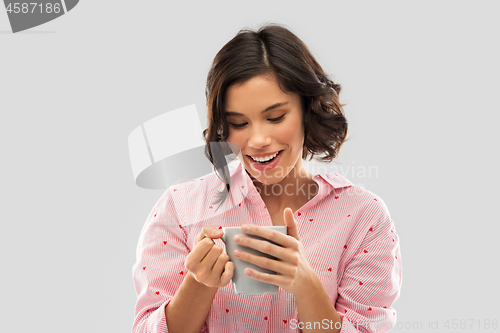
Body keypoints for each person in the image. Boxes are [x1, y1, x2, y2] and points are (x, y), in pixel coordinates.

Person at [132, 23, 402, 333]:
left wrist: (305, 284)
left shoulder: (363, 217)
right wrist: (198, 283)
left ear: (307, 109)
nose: (258, 139)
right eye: (239, 123)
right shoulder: (180, 208)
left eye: (275, 117)